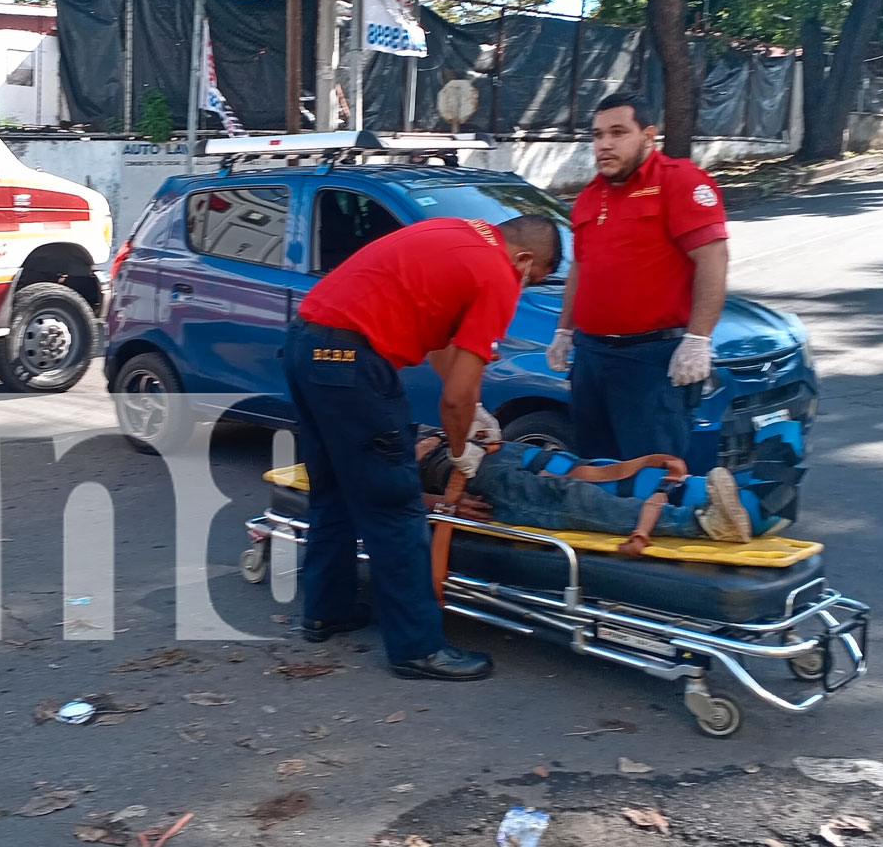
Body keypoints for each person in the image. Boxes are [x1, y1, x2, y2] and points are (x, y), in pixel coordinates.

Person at [285, 214, 561, 681]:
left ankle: (325, 611)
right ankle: (417, 648)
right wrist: (460, 452)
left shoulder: (459, 231)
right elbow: (453, 396)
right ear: (525, 258)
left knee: (333, 491)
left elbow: (440, 344)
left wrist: (471, 413)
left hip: (306, 346)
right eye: (532, 280)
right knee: (395, 507)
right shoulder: (499, 272)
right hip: (354, 364)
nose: (524, 289)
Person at [545, 92, 730, 462]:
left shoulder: (679, 182)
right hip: (592, 356)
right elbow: (581, 268)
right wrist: (564, 331)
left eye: (618, 133)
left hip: (649, 360)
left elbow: (713, 258)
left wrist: (698, 339)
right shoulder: (589, 196)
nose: (605, 144)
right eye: (597, 135)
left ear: (648, 135)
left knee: (652, 474)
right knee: (594, 468)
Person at [411, 429, 755, 548]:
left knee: (583, 470)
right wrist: (436, 504)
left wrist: (437, 437)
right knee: (567, 498)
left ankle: (730, 495)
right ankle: (699, 522)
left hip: (474, 450)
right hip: (456, 480)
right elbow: (360, 489)